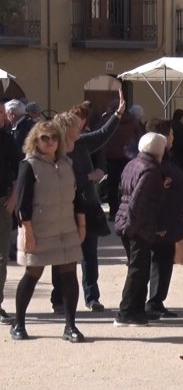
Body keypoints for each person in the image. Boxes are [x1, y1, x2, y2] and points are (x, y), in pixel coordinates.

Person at [11, 120, 86, 342]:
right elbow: (22, 204)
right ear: (35, 140)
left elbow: (78, 196)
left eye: (54, 137)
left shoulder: (67, 163)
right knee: (32, 274)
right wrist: (28, 232)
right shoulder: (29, 165)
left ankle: (70, 326)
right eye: (45, 138)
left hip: (66, 228)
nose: (50, 141)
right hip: (39, 229)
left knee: (70, 275)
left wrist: (82, 225)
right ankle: (19, 323)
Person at [50, 97, 123, 314]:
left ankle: (92, 297)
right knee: (61, 255)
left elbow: (102, 136)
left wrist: (117, 114)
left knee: (89, 254)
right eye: (74, 125)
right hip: (64, 208)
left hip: (87, 205)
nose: (79, 128)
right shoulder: (55, 150)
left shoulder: (81, 142)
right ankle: (59, 298)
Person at [113, 132, 167, 327]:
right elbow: (138, 201)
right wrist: (135, 227)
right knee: (137, 270)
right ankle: (126, 311)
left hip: (127, 220)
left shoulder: (133, 163)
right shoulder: (151, 170)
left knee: (139, 269)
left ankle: (135, 310)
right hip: (136, 226)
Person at [144, 119, 183, 320]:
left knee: (165, 260)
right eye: (170, 134)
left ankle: (158, 300)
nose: (173, 138)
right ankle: (152, 301)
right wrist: (158, 224)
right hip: (160, 221)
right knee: (158, 261)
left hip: (169, 219)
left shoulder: (167, 158)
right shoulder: (156, 163)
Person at [0, 103, 22, 324]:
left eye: (2, 113)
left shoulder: (7, 139)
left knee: (1, 258)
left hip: (3, 202)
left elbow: (20, 169)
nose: (2, 117)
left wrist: (15, 196)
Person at [104, 103, 142, 221]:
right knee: (128, 186)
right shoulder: (133, 122)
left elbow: (102, 136)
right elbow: (139, 138)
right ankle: (127, 211)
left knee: (112, 186)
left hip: (111, 158)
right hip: (129, 158)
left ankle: (113, 212)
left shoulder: (109, 121)